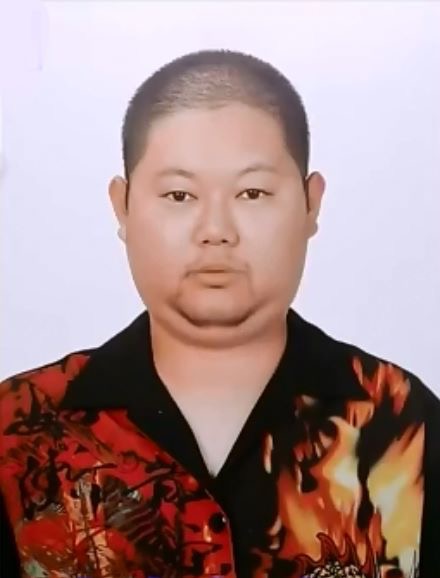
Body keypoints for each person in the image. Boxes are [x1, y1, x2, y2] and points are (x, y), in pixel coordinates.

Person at [0, 49, 438, 578]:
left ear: (311, 204)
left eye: (252, 192)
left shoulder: (403, 426)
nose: (215, 230)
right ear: (123, 207)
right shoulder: (18, 432)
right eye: (179, 194)